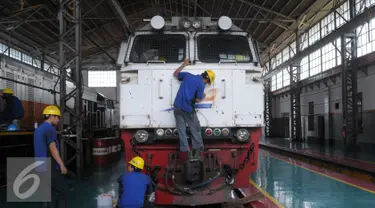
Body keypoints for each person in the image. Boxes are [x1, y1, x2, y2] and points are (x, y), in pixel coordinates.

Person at [173, 59, 216, 161]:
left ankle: (186, 151)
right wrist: (203, 96)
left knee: (181, 130)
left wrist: (184, 64)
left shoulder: (188, 75)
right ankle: (197, 151)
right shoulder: (201, 84)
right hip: (188, 109)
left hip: (177, 106)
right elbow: (197, 99)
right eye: (208, 82)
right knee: (195, 129)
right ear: (207, 79)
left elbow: (175, 74)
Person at [34, 105, 69, 208]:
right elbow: (53, 149)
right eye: (57, 117)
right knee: (64, 192)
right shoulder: (50, 129)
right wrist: (62, 165)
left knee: (47, 194)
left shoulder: (39, 129)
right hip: (50, 167)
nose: (58, 120)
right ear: (51, 116)